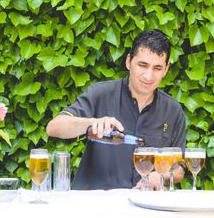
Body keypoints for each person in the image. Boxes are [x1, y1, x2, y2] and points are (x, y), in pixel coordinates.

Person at [46, 29, 186, 190]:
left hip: (144, 209)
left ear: (166, 69)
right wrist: (92, 123)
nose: (148, 76)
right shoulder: (100, 93)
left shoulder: (173, 111)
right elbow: (53, 127)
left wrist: (161, 175)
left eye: (157, 68)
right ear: (128, 62)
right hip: (94, 207)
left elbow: (179, 170)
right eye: (142, 65)